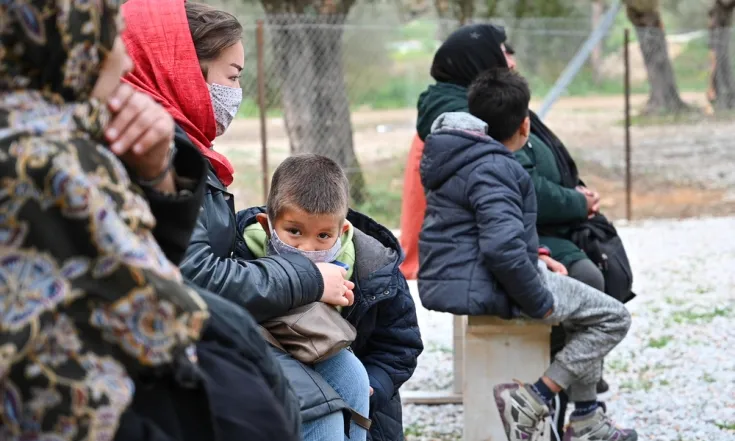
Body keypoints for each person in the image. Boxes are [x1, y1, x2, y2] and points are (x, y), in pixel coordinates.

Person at [119, 0, 363, 438]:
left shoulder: (183, 142)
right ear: (185, 71)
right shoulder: (158, 150)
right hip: (173, 337)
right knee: (316, 412)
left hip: (206, 324)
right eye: (231, 76)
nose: (236, 92)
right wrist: (307, 276)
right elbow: (190, 275)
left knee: (348, 374)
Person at [0, 1, 206, 439]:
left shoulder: (77, 136)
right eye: (110, 35)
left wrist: (158, 173)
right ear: (66, 42)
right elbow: (161, 318)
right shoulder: (42, 161)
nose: (126, 59)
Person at [417, 68, 637, 441]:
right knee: (612, 318)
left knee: (586, 303)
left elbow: (485, 230)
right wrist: (540, 303)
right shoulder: (496, 167)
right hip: (492, 283)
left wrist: (538, 254)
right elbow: (501, 249)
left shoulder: (463, 156)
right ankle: (534, 397)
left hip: (472, 276)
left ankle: (585, 417)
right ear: (524, 126)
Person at [235, 154, 423, 441]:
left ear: (342, 229)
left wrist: (376, 383)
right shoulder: (240, 259)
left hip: (360, 410)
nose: (307, 246)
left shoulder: (373, 269)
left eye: (323, 236)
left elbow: (400, 343)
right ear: (266, 225)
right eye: (294, 231)